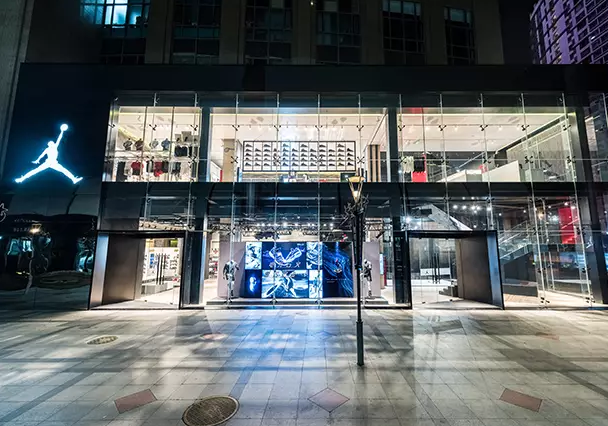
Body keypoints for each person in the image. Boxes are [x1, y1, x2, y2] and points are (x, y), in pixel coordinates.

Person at [15, 124, 82, 184]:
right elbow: (42, 155)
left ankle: (74, 179)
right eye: (51, 143)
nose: (52, 143)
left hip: (54, 163)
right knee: (34, 171)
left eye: (52, 143)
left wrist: (62, 131)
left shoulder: (55, 147)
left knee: (64, 171)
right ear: (49, 144)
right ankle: (21, 179)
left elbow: (59, 138)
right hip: (47, 163)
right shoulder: (47, 149)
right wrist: (37, 160)